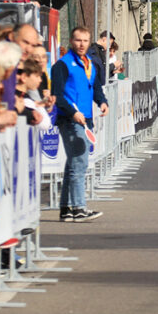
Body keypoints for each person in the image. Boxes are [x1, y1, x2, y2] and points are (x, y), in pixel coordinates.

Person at [52, 27, 109, 223]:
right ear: (71, 41)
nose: (82, 44)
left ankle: (67, 209)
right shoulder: (63, 65)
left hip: (86, 118)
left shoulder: (90, 64)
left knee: (73, 164)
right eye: (78, 40)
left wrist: (102, 101)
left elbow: (95, 88)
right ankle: (79, 208)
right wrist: (72, 112)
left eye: (85, 40)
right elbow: (57, 96)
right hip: (70, 119)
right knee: (79, 162)